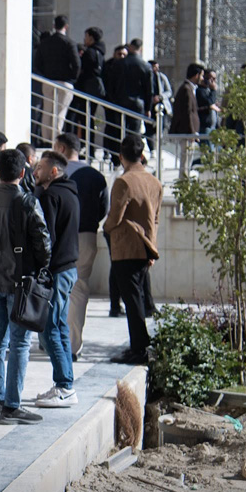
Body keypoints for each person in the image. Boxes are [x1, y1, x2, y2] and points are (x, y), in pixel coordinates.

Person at [0, 149, 51, 424]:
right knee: (19, 343)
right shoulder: (27, 202)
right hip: (19, 282)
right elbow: (43, 244)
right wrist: (41, 267)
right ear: (22, 172)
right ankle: (12, 405)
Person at [104, 135, 163, 365]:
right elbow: (155, 219)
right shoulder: (155, 182)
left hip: (126, 246)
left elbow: (115, 216)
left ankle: (139, 348)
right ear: (142, 155)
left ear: (121, 157)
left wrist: (106, 228)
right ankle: (140, 345)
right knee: (136, 297)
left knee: (132, 299)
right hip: (146, 245)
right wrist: (152, 246)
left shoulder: (124, 182)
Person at [32, 150, 80, 408]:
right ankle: (65, 384)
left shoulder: (51, 196)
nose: (35, 172)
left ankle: (65, 386)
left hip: (58, 271)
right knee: (59, 326)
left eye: (40, 168)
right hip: (68, 269)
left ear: (53, 171)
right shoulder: (71, 193)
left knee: (51, 328)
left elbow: (45, 238)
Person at [61, 135, 109, 361]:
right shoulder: (95, 176)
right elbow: (103, 208)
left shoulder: (55, 172)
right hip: (87, 235)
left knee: (55, 288)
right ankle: (73, 345)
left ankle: (51, 339)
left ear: (61, 148)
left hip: (60, 238)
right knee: (79, 289)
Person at [104, 38, 153, 165]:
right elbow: (149, 90)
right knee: (134, 134)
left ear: (130, 47)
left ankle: (117, 159)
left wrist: (113, 100)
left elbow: (110, 85)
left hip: (119, 103)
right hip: (137, 104)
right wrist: (148, 108)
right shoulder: (145, 66)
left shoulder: (118, 64)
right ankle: (134, 158)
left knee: (118, 131)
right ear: (141, 49)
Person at [37, 15, 81, 142]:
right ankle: (56, 140)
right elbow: (77, 64)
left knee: (47, 111)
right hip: (64, 82)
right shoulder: (69, 42)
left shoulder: (45, 42)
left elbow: (37, 63)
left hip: (48, 81)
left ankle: (45, 139)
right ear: (66, 26)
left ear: (53, 26)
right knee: (60, 113)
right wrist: (72, 77)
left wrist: (45, 74)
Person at [145, 60, 173, 151]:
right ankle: (152, 149)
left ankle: (158, 145)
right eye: (154, 67)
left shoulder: (162, 77)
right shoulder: (145, 77)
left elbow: (169, 91)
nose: (156, 69)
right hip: (149, 107)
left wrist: (160, 97)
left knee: (162, 125)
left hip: (161, 106)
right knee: (149, 128)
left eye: (157, 67)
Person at [196, 68, 221, 136]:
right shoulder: (200, 90)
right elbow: (209, 103)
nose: (212, 81)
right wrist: (213, 90)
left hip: (213, 127)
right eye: (210, 78)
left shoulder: (208, 91)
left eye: (214, 79)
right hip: (205, 126)